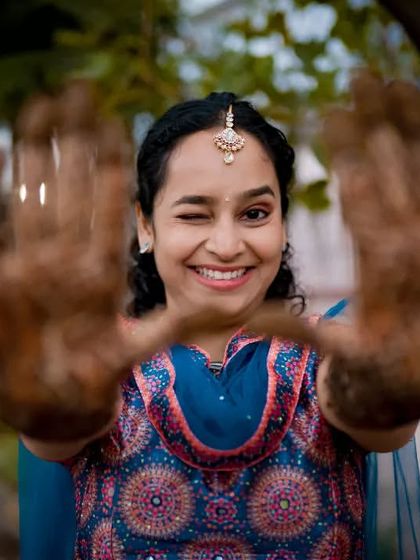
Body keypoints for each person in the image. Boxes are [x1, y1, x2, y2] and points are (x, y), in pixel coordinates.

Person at [3, 80, 420, 559]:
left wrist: (385, 388)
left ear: (283, 224)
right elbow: (57, 430)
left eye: (255, 213)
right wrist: (58, 404)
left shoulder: (339, 352)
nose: (226, 244)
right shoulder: (94, 361)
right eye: (195, 215)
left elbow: (377, 412)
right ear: (145, 224)